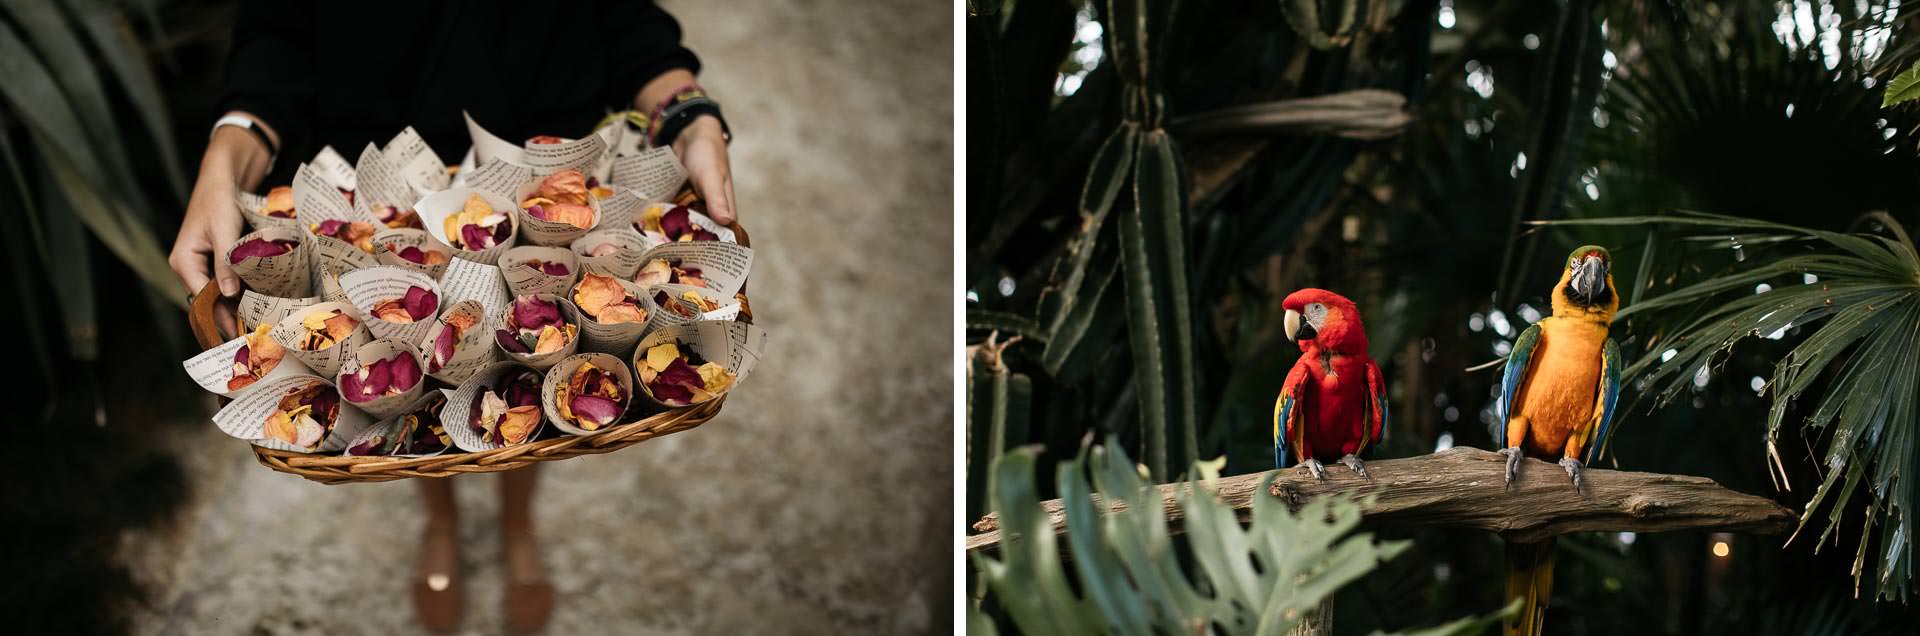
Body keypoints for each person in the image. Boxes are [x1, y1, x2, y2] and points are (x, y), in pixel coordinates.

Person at [165, 2, 735, 633]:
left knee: (541, 365)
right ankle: (442, 515)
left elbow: (621, 15)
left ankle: (517, 519)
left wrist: (689, 117)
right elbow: (279, 30)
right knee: (409, 373)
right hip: (388, 181)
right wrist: (227, 153)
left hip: (541, 168)